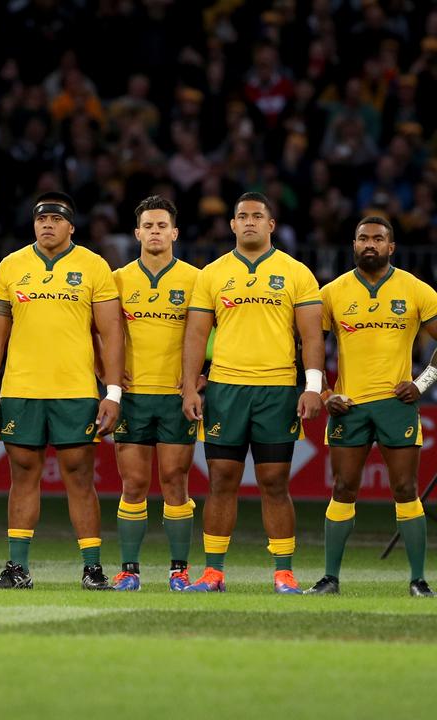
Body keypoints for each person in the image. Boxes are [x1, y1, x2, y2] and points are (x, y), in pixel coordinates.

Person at [0, 191, 124, 591]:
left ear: (71, 226)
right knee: (22, 476)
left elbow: (111, 334)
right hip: (22, 390)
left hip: (75, 391)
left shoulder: (94, 266)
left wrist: (112, 392)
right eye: (41, 218)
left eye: (56, 219)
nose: (47, 224)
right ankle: (17, 569)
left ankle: (92, 569)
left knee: (79, 477)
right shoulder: (11, 266)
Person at [181, 192, 325, 594]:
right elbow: (195, 334)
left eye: (257, 216)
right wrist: (190, 385)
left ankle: (283, 573)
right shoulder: (212, 273)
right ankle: (212, 573)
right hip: (226, 389)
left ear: (271, 225)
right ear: (232, 225)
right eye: (242, 216)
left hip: (277, 390)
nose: (249, 222)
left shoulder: (296, 272)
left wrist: (312, 386)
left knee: (275, 482)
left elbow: (311, 335)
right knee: (221, 479)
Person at [311, 215, 435, 597]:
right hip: (348, 407)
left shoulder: (415, 289)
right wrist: (325, 393)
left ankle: (418, 581)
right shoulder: (331, 292)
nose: (370, 244)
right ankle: (330, 579)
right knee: (343, 486)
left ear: (391, 247)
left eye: (378, 239)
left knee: (405, 487)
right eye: (363, 238)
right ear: (353, 245)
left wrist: (423, 383)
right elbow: (310, 347)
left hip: (396, 405)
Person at [109, 196, 201, 591]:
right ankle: (129, 570)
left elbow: (213, 334)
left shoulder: (197, 279)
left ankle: (178, 571)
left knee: (175, 480)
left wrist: (203, 378)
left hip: (175, 396)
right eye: (148, 226)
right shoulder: (117, 279)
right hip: (132, 396)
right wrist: (106, 375)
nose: (155, 232)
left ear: (174, 232)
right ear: (137, 233)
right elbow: (101, 334)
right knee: (133, 484)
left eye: (162, 226)